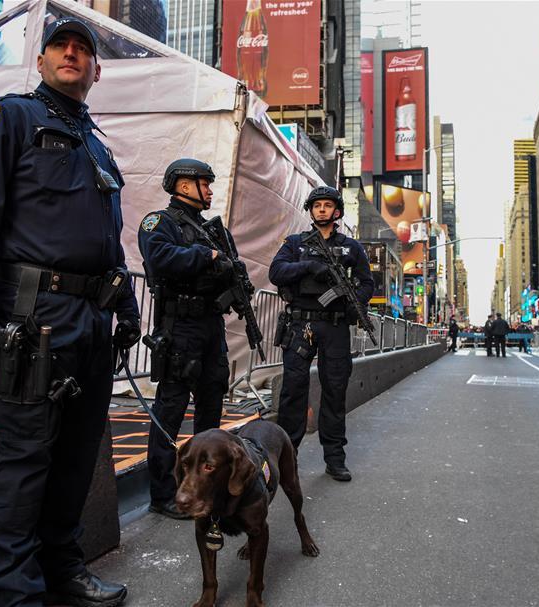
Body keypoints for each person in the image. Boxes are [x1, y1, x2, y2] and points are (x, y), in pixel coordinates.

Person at [0, 18, 137, 607]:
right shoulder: (8, 118)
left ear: (96, 71)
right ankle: (14, 594)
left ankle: (63, 572)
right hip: (34, 317)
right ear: (42, 60)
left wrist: (122, 306)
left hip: (91, 321)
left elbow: (108, 239)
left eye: (83, 50)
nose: (72, 54)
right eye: (61, 46)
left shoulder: (94, 141)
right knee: (24, 461)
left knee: (76, 458)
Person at [137, 158, 242, 518]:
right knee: (171, 410)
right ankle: (164, 494)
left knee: (211, 408)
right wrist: (206, 255)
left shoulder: (210, 229)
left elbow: (228, 269)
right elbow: (159, 257)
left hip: (211, 326)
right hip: (180, 327)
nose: (210, 191)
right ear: (183, 185)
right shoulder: (160, 223)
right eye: (204, 184)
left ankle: (206, 491)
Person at [268, 186, 374, 482]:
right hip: (302, 326)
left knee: (335, 390)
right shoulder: (294, 243)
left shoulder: (352, 248)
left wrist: (355, 302)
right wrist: (308, 268)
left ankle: (335, 457)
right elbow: (276, 272)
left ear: (336, 211)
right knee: (294, 390)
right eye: (317, 206)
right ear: (311, 210)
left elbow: (367, 283)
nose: (322, 210)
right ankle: (288, 456)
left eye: (328, 205)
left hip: (336, 325)